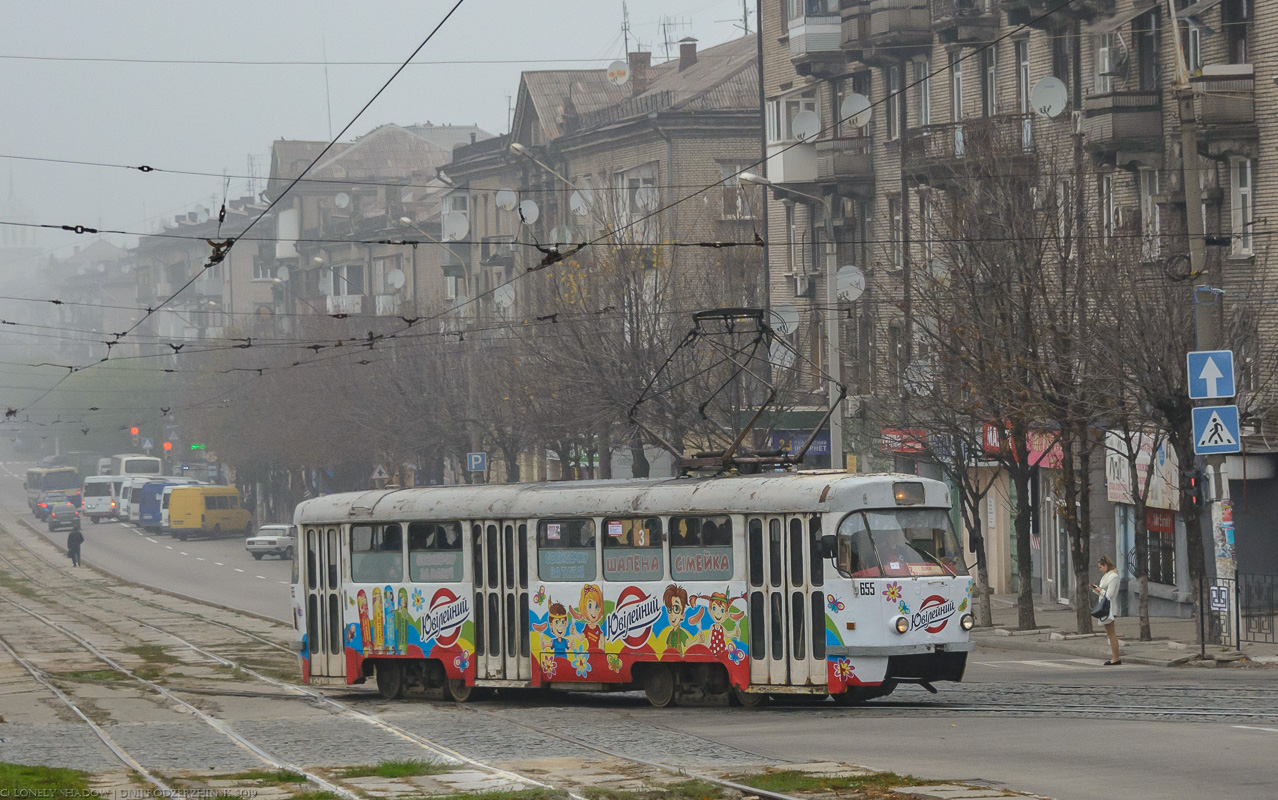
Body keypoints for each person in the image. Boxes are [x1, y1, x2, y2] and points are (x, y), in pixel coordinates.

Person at [1092, 556, 1122, 665]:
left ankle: (1116, 658)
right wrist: (1096, 589)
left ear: (1106, 565)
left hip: (1109, 607)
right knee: (1110, 633)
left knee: (1111, 633)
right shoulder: (1106, 576)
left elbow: (1109, 595)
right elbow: (1103, 591)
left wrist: (1100, 590)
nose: (1100, 569)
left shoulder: (1113, 577)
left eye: (1101, 567)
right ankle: (1115, 657)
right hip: (1105, 605)